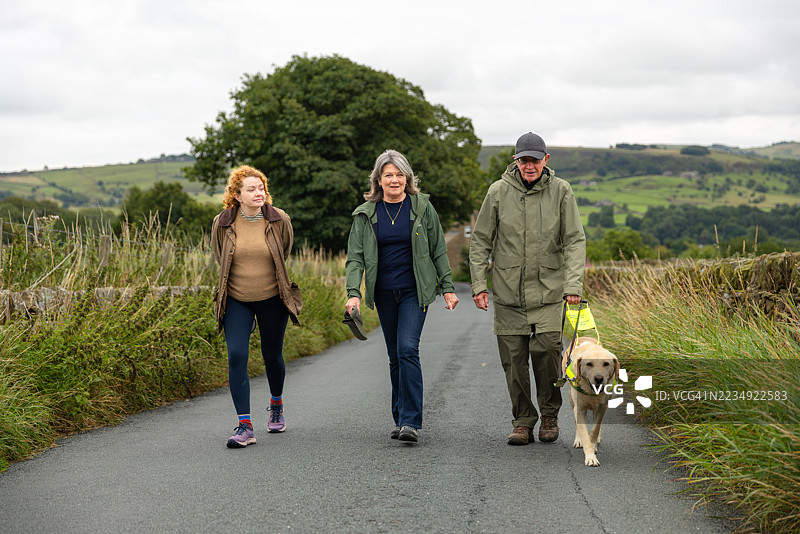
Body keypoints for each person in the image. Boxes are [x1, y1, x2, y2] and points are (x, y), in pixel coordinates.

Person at [469, 132, 586, 446]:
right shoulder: (497, 192)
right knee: (514, 359)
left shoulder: (562, 191)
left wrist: (573, 284)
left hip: (548, 291)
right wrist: (479, 284)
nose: (529, 165)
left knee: (547, 350)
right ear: (515, 160)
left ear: (546, 160)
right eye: (524, 160)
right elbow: (480, 242)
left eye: (535, 159)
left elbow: (575, 240)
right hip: (508, 291)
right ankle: (522, 421)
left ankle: (549, 414)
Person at [345, 149, 459, 443]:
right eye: (388, 175)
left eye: (399, 175)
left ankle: (411, 421)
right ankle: (400, 418)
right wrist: (354, 294)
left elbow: (438, 250)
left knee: (408, 348)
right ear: (378, 180)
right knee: (394, 356)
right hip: (383, 293)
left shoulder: (422, 207)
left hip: (414, 291)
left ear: (407, 178)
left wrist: (447, 288)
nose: (394, 180)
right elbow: (355, 258)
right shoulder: (365, 214)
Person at [212, 164, 301, 448]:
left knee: (272, 355)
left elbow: (284, 252)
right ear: (236, 195)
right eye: (251, 189)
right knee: (236, 354)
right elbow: (220, 256)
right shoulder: (223, 222)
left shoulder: (279, 220)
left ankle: (276, 404)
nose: (258, 193)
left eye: (261, 188)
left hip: (273, 298)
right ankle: (245, 426)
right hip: (236, 299)